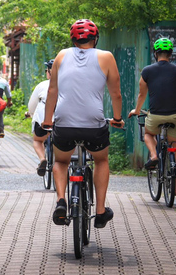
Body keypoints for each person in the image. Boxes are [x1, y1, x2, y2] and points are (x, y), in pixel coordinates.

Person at [41, 19, 124, 228]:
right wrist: (116, 118)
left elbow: (53, 91)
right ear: (95, 39)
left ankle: (61, 201)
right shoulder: (106, 57)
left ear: (73, 39)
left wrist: (47, 120)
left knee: (61, 162)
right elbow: (116, 93)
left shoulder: (61, 55)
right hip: (93, 124)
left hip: (64, 123)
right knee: (101, 160)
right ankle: (101, 211)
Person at [128, 37, 176, 195]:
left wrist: (136, 110)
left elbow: (142, 94)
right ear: (170, 54)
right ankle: (175, 187)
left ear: (155, 53)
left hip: (155, 116)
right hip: (175, 116)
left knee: (148, 134)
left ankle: (154, 155)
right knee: (175, 149)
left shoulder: (147, 71)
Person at [25, 60, 54, 176]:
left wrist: (30, 114)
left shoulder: (42, 85)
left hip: (43, 119)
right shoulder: (70, 84)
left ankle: (42, 159)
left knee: (37, 140)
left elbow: (32, 105)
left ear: (48, 73)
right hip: (63, 119)